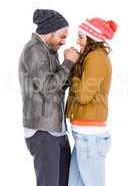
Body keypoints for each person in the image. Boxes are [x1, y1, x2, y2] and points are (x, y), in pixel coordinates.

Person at [19, 9, 79, 186]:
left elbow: (58, 86)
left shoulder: (49, 51)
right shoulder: (34, 51)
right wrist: (68, 62)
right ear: (49, 32)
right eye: (61, 36)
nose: (63, 41)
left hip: (55, 129)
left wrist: (72, 65)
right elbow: (49, 88)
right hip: (43, 132)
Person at [65, 17, 117, 186]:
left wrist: (72, 74)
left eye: (81, 37)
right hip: (84, 135)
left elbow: (82, 96)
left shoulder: (96, 57)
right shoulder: (91, 57)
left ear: (91, 38)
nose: (77, 41)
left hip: (90, 137)